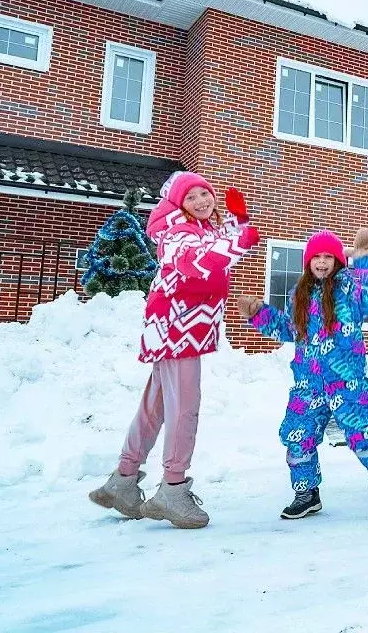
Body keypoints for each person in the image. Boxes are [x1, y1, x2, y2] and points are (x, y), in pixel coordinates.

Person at [89, 172, 260, 528]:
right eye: (192, 196)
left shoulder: (198, 229)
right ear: (177, 203)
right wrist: (241, 239)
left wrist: (239, 221)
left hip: (180, 328)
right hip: (177, 328)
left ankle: (122, 480)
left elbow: (220, 241)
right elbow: (200, 261)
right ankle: (173, 488)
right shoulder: (176, 233)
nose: (202, 201)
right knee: (185, 408)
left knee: (157, 406)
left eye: (205, 194)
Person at [236, 228, 368, 521]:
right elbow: (289, 329)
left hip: (346, 381)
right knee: (296, 435)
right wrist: (259, 313)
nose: (323, 262)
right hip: (308, 384)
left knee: (362, 434)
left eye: (329, 256)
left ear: (338, 260)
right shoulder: (298, 294)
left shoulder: (350, 288)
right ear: (308, 261)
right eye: (317, 256)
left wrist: (366, 260)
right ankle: (307, 493)